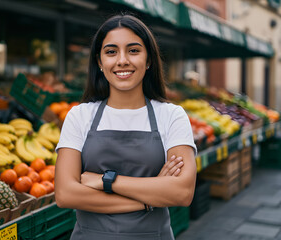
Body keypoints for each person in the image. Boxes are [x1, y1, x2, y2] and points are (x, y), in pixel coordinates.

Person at [55, 14, 197, 240]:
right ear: (100, 63)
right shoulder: (79, 116)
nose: (122, 60)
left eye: (133, 50)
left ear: (148, 60)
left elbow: (182, 192)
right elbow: (65, 194)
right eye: (111, 52)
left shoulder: (171, 116)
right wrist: (148, 200)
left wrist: (106, 181)